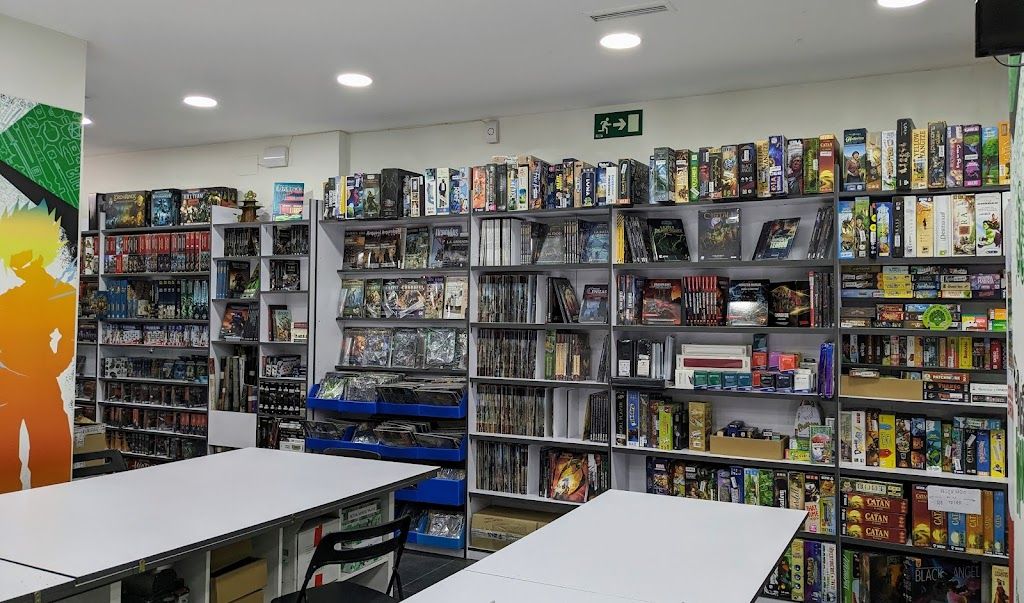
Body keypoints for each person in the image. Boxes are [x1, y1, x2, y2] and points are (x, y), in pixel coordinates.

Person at [0, 204, 76, 492]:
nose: (14, 265)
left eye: (20, 257)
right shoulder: (9, 298)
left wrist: (51, 366)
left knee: (51, 458)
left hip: (38, 381)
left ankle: (50, 508)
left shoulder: (61, 293)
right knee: (6, 459)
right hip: (11, 381)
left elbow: (68, 338)